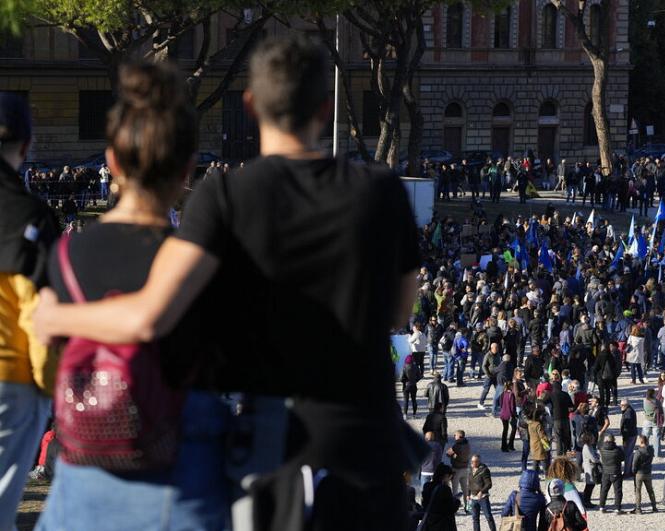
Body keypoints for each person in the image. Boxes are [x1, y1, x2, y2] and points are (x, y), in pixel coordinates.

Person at [33, 34, 424, 529]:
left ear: (250, 104)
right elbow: (400, 313)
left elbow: (153, 310)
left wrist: (55, 315)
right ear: (326, 108)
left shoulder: (223, 195)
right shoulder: (384, 191)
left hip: (274, 452)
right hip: (368, 446)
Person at [34, 63, 233, 531]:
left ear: (112, 162)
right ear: (187, 169)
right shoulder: (196, 260)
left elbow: (48, 363)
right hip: (182, 480)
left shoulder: (64, 254)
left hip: (81, 477)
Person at [0, 90, 58, 530]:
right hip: (11, 380)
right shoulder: (32, 214)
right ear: (25, 144)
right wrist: (49, 388)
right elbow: (42, 315)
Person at [421, 463, 460, 531]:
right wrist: (457, 501)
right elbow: (450, 509)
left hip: (430, 522)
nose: (449, 480)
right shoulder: (445, 489)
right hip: (443, 525)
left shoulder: (427, 486)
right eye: (450, 478)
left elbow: (424, 504)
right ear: (445, 476)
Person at [597, 434, 626, 514]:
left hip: (605, 472)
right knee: (617, 491)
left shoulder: (602, 449)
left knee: (604, 490)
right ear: (614, 440)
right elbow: (623, 458)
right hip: (616, 472)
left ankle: (601, 506)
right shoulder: (618, 450)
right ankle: (617, 508)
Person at [467, 455, 497, 531]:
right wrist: (468, 494)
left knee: (488, 516)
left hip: (483, 497)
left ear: (479, 462)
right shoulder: (470, 470)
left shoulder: (484, 470)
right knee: (475, 519)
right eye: (472, 461)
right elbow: (469, 483)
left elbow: (489, 484)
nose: (473, 463)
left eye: (475, 461)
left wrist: (482, 491)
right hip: (473, 498)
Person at [630, 435, 658, 514]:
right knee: (650, 490)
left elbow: (634, 464)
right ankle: (654, 507)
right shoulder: (651, 450)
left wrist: (633, 472)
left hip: (639, 473)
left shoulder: (638, 452)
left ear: (641, 442)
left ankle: (638, 509)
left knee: (638, 491)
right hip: (648, 472)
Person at [447, 430, 471, 511]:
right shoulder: (467, 444)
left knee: (455, 490)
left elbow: (448, 453)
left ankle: (454, 507)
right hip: (465, 468)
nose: (454, 436)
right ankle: (467, 507)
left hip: (456, 469)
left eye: (455, 435)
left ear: (459, 436)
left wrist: (453, 455)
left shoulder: (456, 445)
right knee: (465, 490)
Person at [580, 433, 601, 509]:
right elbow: (594, 459)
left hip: (591, 468)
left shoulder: (589, 446)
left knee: (590, 486)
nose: (594, 439)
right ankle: (586, 501)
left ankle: (587, 501)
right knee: (589, 486)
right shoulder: (587, 447)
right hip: (589, 469)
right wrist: (598, 459)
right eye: (592, 438)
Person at [619, 398, 638, 475]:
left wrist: (625, 438)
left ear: (627, 405)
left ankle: (627, 472)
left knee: (628, 454)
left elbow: (627, 426)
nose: (621, 406)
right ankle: (628, 470)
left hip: (629, 436)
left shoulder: (628, 413)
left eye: (623, 405)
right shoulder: (628, 410)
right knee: (628, 453)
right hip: (630, 435)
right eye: (621, 405)